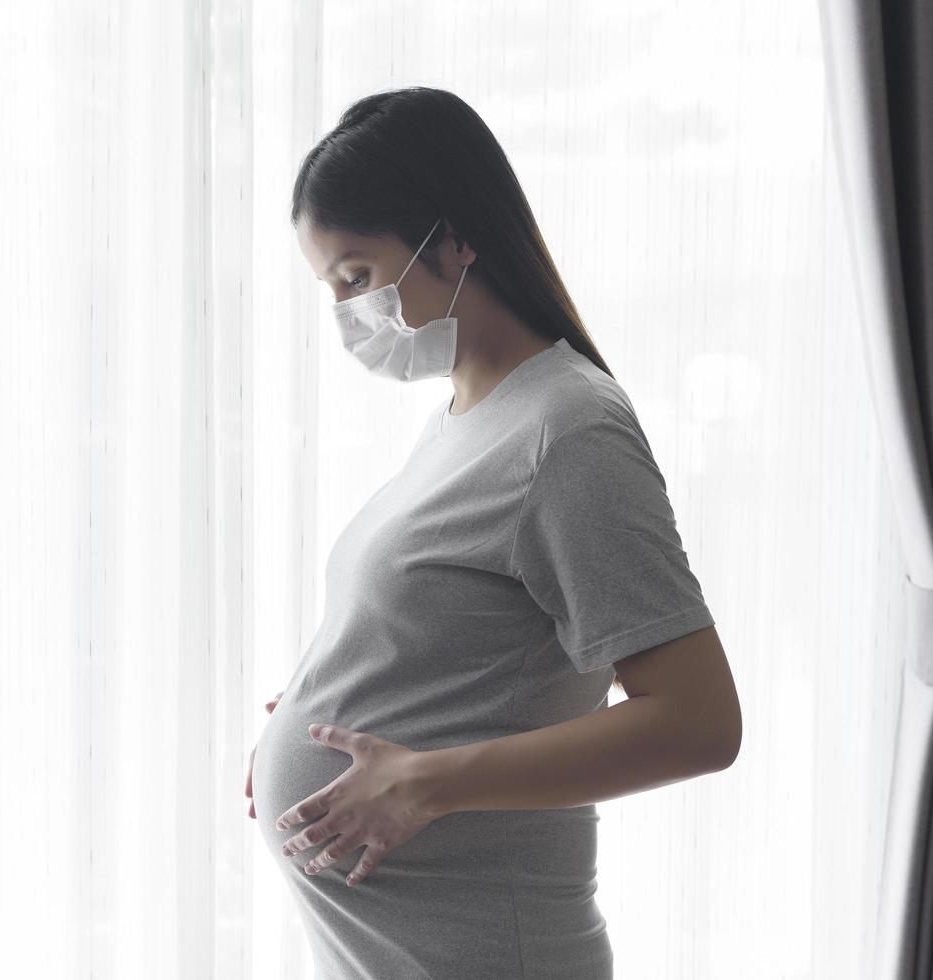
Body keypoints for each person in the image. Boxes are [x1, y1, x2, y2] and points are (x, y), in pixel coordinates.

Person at [243, 86, 739, 979]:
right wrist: (329, 700)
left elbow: (699, 723)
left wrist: (419, 781)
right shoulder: (466, 417)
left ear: (455, 239)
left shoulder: (567, 431)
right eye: (330, 288)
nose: (346, 313)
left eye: (356, 276)